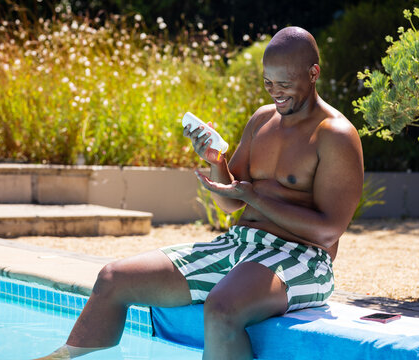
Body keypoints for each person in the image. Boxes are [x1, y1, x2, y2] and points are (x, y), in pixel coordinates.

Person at [35, 26, 363, 360]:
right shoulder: (262, 120)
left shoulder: (335, 135)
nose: (275, 93)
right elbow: (230, 202)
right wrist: (217, 161)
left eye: (284, 84)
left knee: (222, 308)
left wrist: (256, 198)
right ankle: (63, 357)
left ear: (313, 73)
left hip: (302, 258)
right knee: (113, 278)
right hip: (237, 245)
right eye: (268, 82)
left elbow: (328, 231)